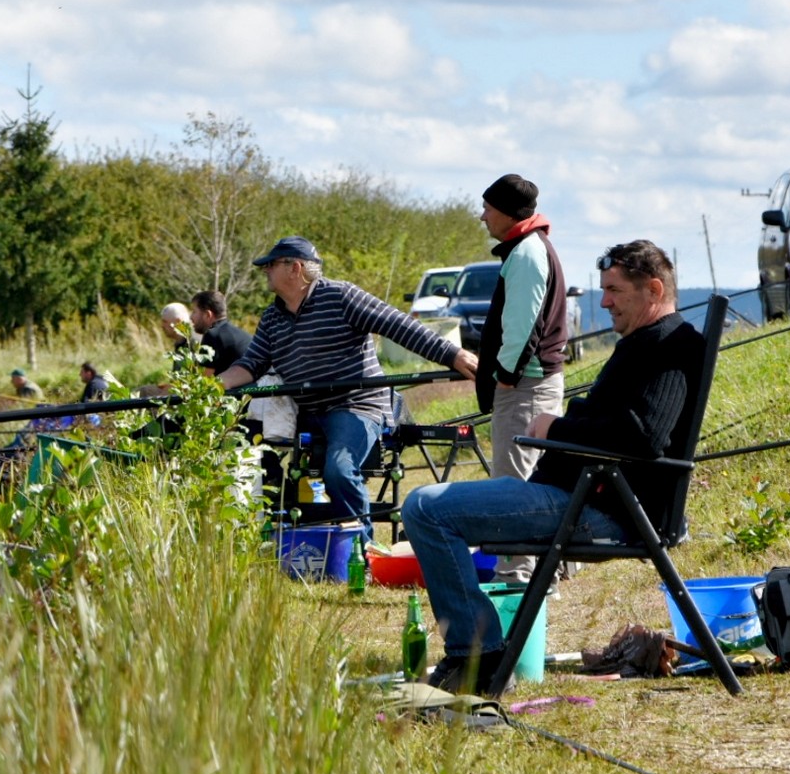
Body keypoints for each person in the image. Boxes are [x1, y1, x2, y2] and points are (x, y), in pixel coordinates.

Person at [401, 241, 702, 695]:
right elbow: (616, 422)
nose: (604, 302)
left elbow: (643, 436)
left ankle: (476, 654)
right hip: (581, 492)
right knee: (428, 507)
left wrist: (558, 427)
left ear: (654, 289)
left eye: (615, 291)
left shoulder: (671, 345)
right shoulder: (642, 343)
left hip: (601, 504)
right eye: (604, 290)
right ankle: (478, 650)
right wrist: (568, 423)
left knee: (426, 507)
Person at [218, 236, 478, 525]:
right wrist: (213, 386)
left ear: (296, 267)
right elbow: (250, 364)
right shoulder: (271, 316)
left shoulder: (342, 296)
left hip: (355, 405)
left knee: (339, 470)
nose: (264, 270)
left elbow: (399, 325)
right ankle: (286, 528)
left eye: (271, 264)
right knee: (249, 445)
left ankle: (360, 551)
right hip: (306, 410)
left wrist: (452, 355)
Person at [473, 174, 570, 585]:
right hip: (534, 384)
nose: (482, 217)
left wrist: (506, 376)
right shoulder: (529, 248)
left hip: (526, 387)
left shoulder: (527, 253)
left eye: (488, 209)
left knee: (513, 488)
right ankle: (548, 569)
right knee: (540, 481)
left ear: (509, 213)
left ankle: (517, 576)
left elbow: (521, 327)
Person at [188, 290, 252, 376]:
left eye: (194, 311)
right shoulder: (243, 335)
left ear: (208, 314)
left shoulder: (212, 335)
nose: (191, 317)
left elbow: (203, 381)